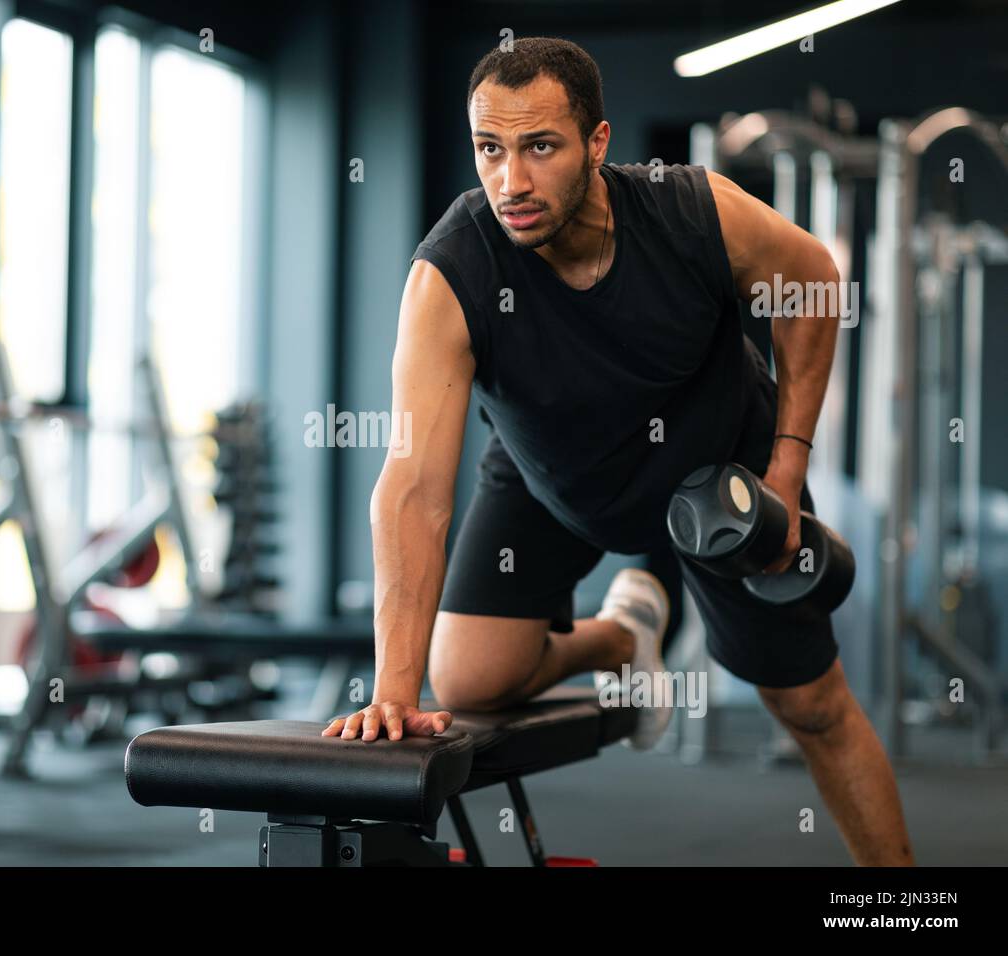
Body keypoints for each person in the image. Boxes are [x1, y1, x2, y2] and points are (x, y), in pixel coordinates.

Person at [323, 36, 914, 866]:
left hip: (720, 475)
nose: (510, 182)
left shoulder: (691, 213)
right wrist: (392, 692)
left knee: (812, 705)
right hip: (548, 473)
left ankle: (905, 902)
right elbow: (413, 485)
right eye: (489, 150)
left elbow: (814, 284)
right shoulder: (452, 273)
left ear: (597, 145)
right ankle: (621, 634)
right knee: (466, 683)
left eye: (540, 147)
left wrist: (785, 467)